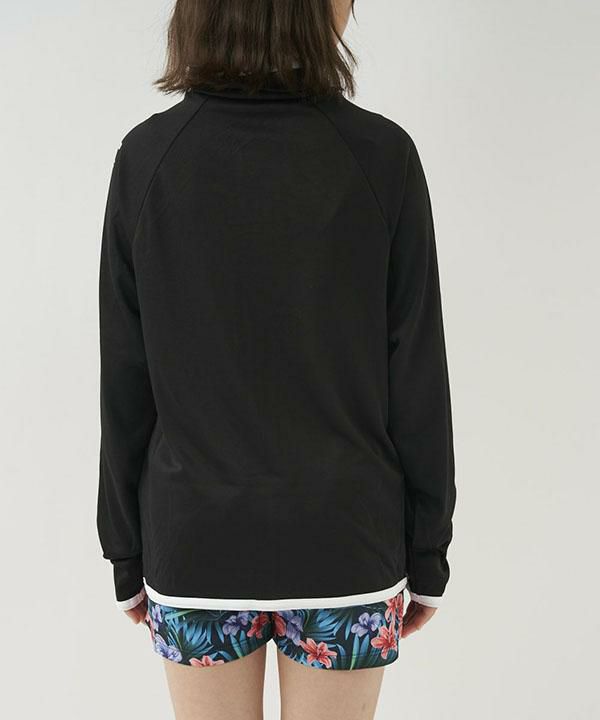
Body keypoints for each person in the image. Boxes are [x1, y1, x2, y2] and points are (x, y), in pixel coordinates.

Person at [97, 1, 456, 717]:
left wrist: (126, 550)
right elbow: (417, 375)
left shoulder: (148, 158)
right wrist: (428, 551)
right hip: (345, 547)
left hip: (196, 546)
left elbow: (125, 377)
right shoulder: (381, 157)